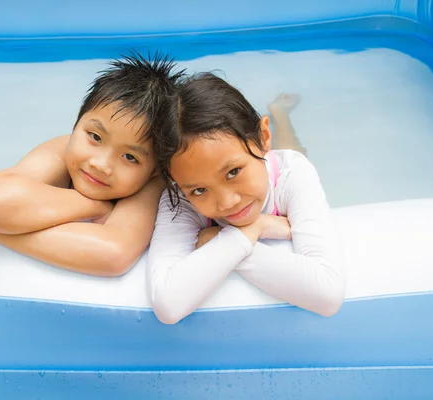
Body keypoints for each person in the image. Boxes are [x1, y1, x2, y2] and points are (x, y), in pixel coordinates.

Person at [0, 52, 184, 277]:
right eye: (95, 137)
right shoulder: (61, 151)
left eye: (130, 157)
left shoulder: (152, 184)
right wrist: (94, 205)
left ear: (155, 169)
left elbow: (112, 255)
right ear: (76, 124)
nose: (101, 164)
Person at [147, 72, 346, 324]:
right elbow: (168, 305)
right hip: (260, 162)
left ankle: (279, 115)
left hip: (277, 162)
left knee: (293, 150)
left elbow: (327, 294)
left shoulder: (292, 174)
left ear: (263, 136)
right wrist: (249, 230)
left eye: (233, 172)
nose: (227, 202)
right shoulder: (179, 201)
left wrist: (211, 240)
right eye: (199, 190)